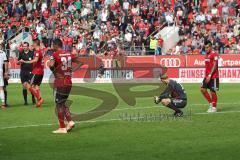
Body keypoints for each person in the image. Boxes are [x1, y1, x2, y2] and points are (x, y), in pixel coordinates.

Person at [49, 38, 83, 134]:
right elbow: (81, 63)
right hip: (68, 81)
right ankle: (70, 121)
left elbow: (51, 65)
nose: (52, 47)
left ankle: (62, 127)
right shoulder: (69, 54)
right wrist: (71, 70)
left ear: (56, 45)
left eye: (52, 45)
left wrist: (54, 71)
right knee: (62, 103)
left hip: (60, 82)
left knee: (59, 104)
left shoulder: (55, 55)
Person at [19, 40, 44, 107]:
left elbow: (35, 60)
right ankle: (39, 102)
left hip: (36, 71)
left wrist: (25, 61)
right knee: (36, 86)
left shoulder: (37, 52)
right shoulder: (41, 51)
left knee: (28, 85)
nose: (32, 45)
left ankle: (39, 99)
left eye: (33, 43)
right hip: (41, 72)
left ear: (36, 44)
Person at [200, 41, 219, 113]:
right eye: (205, 47)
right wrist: (207, 75)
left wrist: (210, 75)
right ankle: (211, 103)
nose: (206, 49)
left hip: (213, 76)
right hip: (207, 76)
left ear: (211, 47)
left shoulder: (214, 54)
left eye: (207, 47)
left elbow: (215, 64)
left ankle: (214, 107)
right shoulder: (206, 55)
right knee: (202, 89)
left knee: (212, 92)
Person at [0, 45, 9, 109]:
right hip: (0, 71)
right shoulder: (2, 52)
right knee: (1, 88)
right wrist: (5, 72)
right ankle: (3, 104)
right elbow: (6, 63)